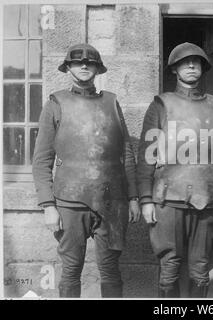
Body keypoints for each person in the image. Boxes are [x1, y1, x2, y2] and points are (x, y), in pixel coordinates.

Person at [32, 43, 141, 298]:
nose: (83, 66)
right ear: (68, 67)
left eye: (89, 63)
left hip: (112, 201)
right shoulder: (55, 103)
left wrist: (133, 197)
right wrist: (48, 205)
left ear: (97, 68)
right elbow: (42, 160)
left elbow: (125, 153)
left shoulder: (112, 102)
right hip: (70, 202)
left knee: (111, 269)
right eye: (77, 62)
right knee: (71, 268)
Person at [137, 42, 213, 298]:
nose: (191, 66)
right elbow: (146, 157)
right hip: (169, 201)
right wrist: (146, 200)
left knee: (201, 269)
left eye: (197, 62)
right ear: (174, 69)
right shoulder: (161, 104)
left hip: (210, 201)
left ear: (203, 68)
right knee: (169, 267)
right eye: (185, 62)